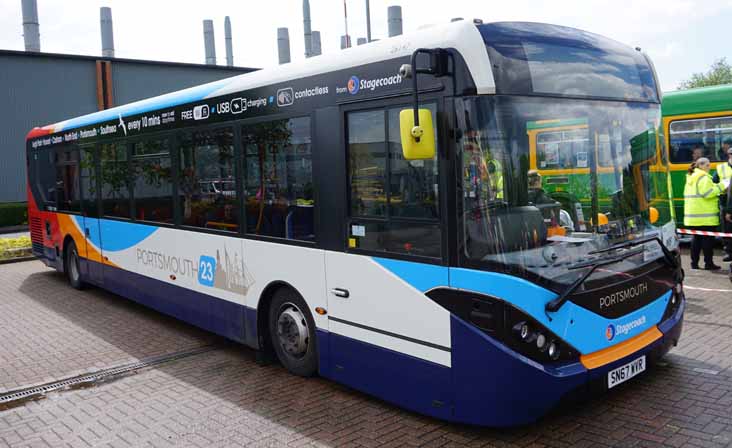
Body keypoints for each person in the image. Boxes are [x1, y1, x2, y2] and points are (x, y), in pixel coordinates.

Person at [684, 157, 726, 270]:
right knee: (708, 241)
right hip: (705, 217)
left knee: (696, 240)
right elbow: (708, 193)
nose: (709, 167)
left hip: (693, 217)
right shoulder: (703, 178)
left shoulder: (692, 177)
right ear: (700, 166)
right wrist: (722, 185)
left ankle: (694, 264)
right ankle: (709, 263)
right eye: (707, 165)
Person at [716, 143, 732, 261]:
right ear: (729, 155)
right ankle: (728, 251)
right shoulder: (721, 168)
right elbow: (714, 183)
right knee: (727, 228)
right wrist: (723, 188)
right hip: (726, 201)